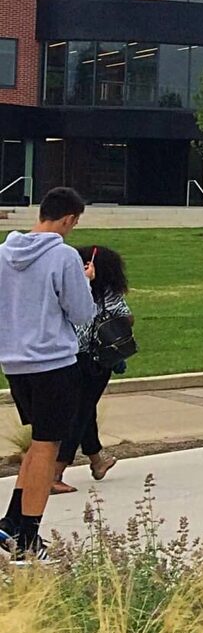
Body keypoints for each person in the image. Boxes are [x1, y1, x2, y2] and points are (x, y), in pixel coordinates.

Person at [0, 187, 95, 561]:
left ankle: (11, 522)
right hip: (53, 362)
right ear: (69, 218)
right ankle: (29, 538)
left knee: (36, 445)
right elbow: (82, 312)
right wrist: (85, 281)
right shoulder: (64, 256)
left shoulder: (5, 253)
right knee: (47, 447)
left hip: (14, 362)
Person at [53, 244, 132, 493]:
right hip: (94, 359)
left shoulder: (67, 289)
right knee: (79, 413)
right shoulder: (103, 292)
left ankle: (97, 460)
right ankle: (56, 471)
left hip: (68, 357)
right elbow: (126, 317)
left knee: (85, 410)